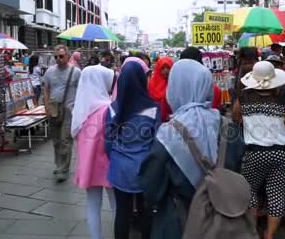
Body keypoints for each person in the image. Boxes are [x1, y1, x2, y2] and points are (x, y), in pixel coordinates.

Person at [139, 59, 245, 239]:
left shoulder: (168, 134)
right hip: (223, 221)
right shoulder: (229, 128)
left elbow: (151, 187)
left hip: (178, 222)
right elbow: (236, 167)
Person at [232, 61, 285, 239]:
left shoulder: (244, 97)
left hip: (255, 152)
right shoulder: (283, 99)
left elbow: (236, 118)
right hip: (282, 152)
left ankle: (252, 231)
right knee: (276, 192)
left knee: (250, 190)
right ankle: (270, 234)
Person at [106, 61, 160, 239]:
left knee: (122, 213)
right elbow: (157, 142)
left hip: (120, 168)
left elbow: (107, 142)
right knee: (147, 213)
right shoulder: (153, 108)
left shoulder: (113, 108)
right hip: (145, 169)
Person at [70, 65, 116, 239]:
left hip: (89, 165)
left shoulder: (81, 109)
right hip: (110, 164)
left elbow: (75, 134)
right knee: (115, 204)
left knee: (92, 205)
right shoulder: (110, 109)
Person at [43, 45, 81, 182]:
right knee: (56, 141)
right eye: (56, 57)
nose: (58, 59)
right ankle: (58, 164)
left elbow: (82, 91)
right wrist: (46, 105)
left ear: (68, 56)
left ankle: (63, 169)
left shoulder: (76, 72)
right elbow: (46, 89)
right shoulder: (49, 72)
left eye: (61, 56)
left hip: (69, 111)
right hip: (53, 109)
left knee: (66, 140)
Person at [148, 57, 174, 121]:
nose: (166, 70)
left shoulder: (175, 83)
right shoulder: (152, 83)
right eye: (163, 68)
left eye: (168, 68)